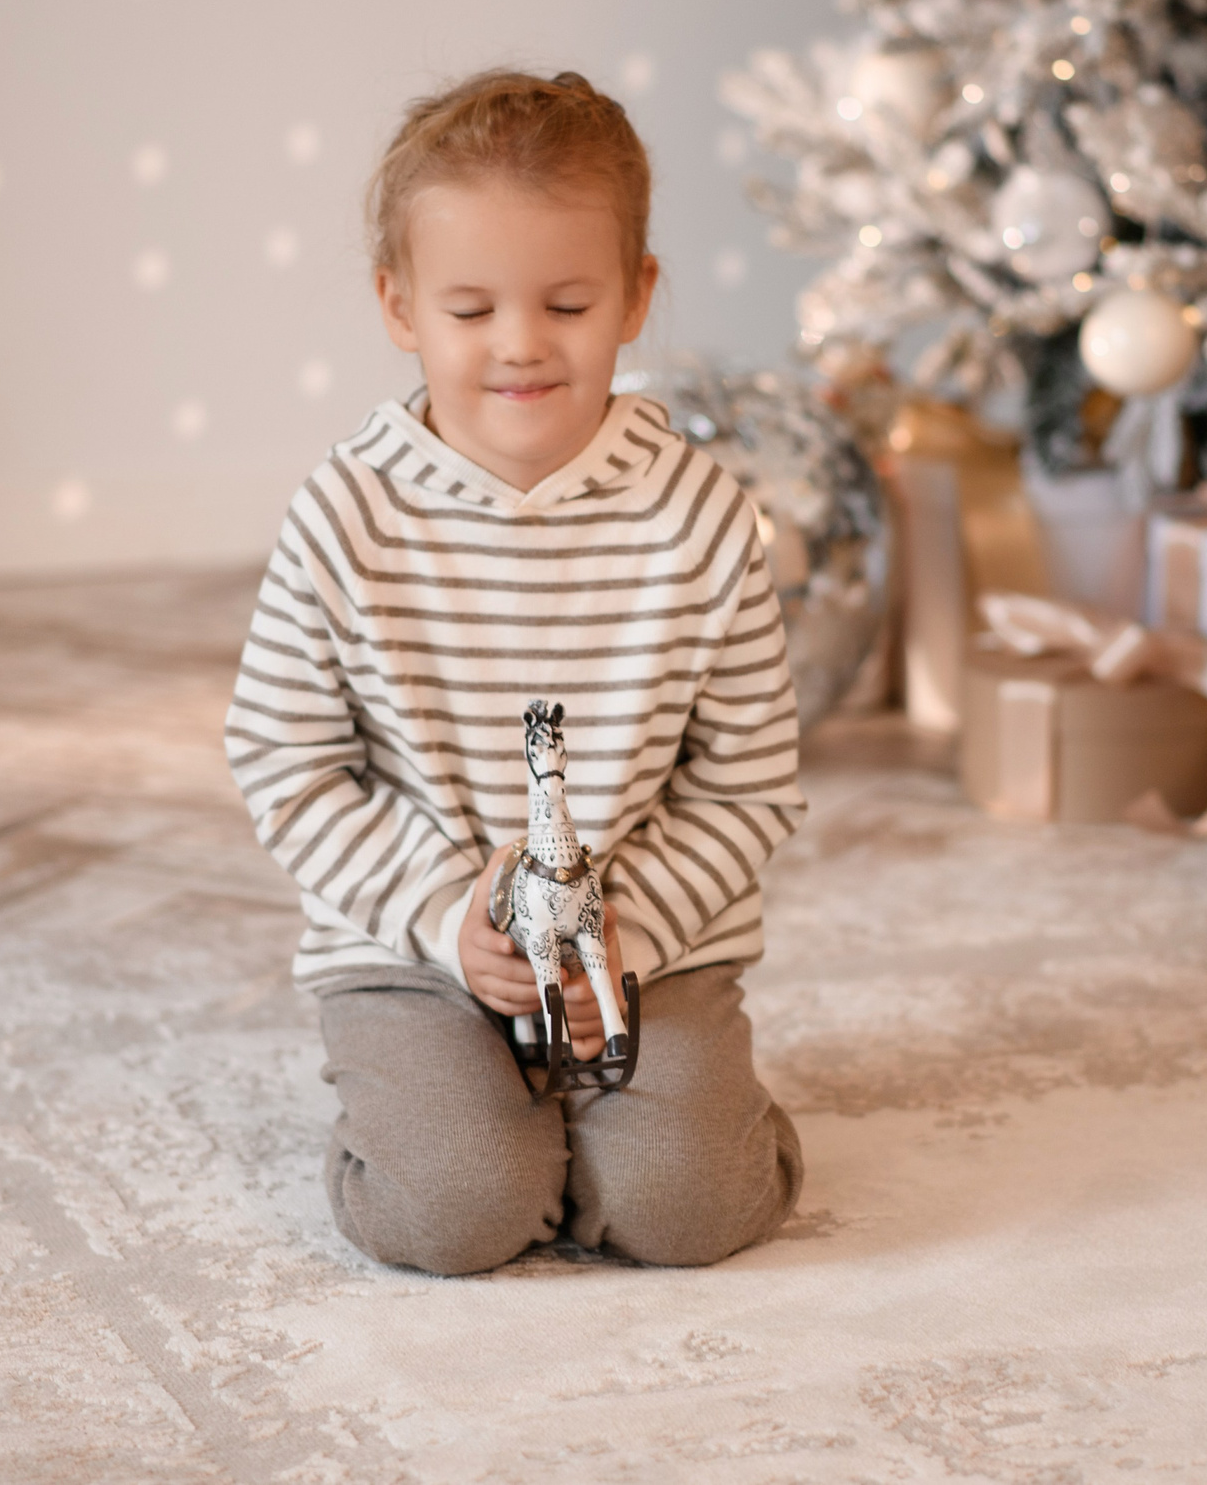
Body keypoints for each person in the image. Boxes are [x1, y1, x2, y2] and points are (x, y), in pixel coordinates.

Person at [224, 68, 806, 1275]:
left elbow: (748, 783)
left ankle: (650, 1127)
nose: (522, 346)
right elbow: (285, 761)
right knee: (455, 1216)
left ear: (637, 298)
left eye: (569, 303)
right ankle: (470, 1120)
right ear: (400, 307)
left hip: (650, 951)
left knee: (687, 1212)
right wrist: (446, 920)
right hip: (414, 957)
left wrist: (623, 942)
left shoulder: (699, 518)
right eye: (472, 309)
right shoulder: (347, 515)